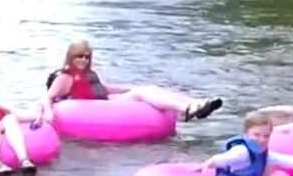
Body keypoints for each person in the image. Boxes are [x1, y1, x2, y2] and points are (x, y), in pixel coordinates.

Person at [42, 40, 223, 123]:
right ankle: (185, 109)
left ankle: (197, 103)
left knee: (149, 88)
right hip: (98, 108)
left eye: (86, 57)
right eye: (80, 56)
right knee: (141, 94)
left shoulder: (88, 74)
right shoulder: (65, 77)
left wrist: (130, 87)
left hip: (104, 101)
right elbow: (47, 97)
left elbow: (105, 89)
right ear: (71, 57)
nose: (84, 60)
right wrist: (49, 112)